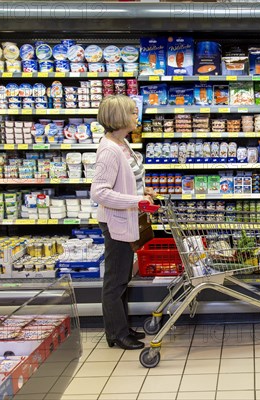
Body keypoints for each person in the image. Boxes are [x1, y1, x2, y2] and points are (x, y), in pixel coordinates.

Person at [91, 95, 157, 350]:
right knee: (115, 281)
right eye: (131, 113)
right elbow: (100, 192)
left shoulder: (121, 143)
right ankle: (116, 334)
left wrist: (143, 191)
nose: (136, 116)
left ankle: (122, 327)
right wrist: (136, 200)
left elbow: (127, 180)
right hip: (116, 222)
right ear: (119, 118)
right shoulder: (109, 150)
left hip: (126, 219)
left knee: (121, 278)